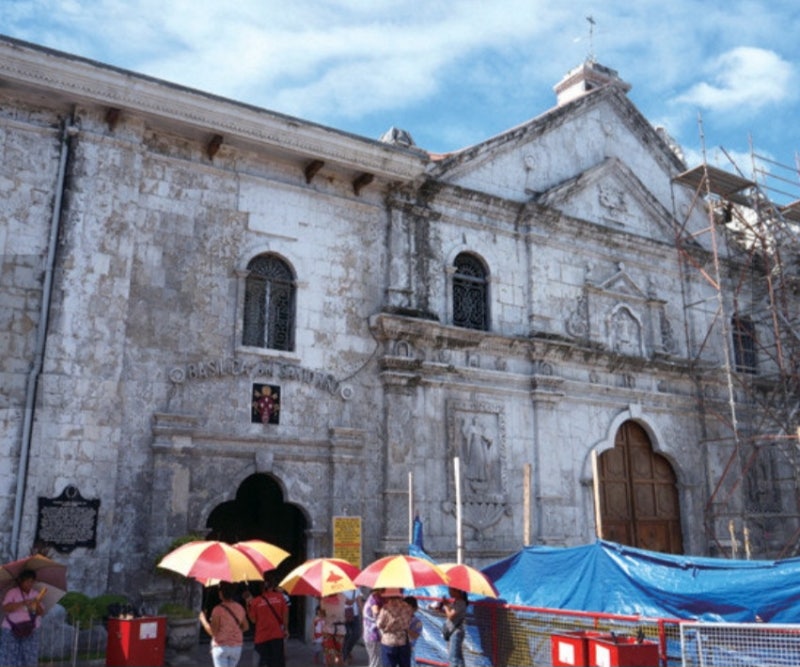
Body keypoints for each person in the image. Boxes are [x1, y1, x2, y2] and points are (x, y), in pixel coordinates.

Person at [0, 569, 47, 667]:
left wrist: (36, 604)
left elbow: (41, 612)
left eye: (31, 581)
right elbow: (6, 608)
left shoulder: (35, 594)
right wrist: (22, 603)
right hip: (11, 629)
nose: (29, 584)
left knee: (29, 656)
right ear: (21, 581)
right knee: (10, 656)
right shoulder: (12, 592)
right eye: (27, 581)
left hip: (31, 629)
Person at [198, 581, 249, 667]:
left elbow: (213, 632)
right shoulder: (240, 608)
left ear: (221, 593)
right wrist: (232, 630)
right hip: (236, 647)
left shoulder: (218, 610)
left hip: (221, 647)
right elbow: (246, 627)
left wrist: (203, 620)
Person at [244, 574, 289, 667]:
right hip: (277, 635)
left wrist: (248, 605)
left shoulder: (255, 602)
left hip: (261, 637)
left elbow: (253, 620)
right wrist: (286, 629)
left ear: (261, 588)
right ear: (272, 586)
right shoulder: (280, 598)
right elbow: (285, 615)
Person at [375, 588, 413, 667]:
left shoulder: (385, 608)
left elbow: (379, 624)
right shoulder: (407, 607)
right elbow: (409, 622)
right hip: (403, 640)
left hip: (388, 641)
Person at [320, 592, 347, 666]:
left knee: (329, 654)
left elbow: (322, 615)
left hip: (328, 629)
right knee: (339, 653)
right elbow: (348, 604)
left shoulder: (323, 599)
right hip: (340, 629)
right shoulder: (342, 596)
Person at [442, 588, 468, 667]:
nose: (449, 592)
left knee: (453, 658)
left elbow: (450, 616)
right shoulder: (457, 602)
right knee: (458, 658)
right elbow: (451, 612)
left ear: (456, 591)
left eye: (450, 590)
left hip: (456, 633)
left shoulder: (461, 602)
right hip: (454, 632)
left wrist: (445, 606)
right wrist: (447, 604)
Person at [361, 588, 384, 667]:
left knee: (374, 660)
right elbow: (376, 611)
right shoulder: (374, 598)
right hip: (373, 634)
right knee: (375, 661)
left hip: (370, 633)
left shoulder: (373, 598)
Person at [342, 590, 362, 664]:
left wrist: (363, 614)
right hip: (343, 615)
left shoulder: (357, 589)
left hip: (355, 615)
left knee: (357, 634)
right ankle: (344, 656)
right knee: (346, 635)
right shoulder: (342, 589)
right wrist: (353, 599)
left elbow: (359, 603)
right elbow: (346, 601)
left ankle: (347, 651)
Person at [404, 596, 423, 665]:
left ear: (414, 608)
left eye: (407, 607)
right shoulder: (400, 618)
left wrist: (406, 629)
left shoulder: (417, 622)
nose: (405, 609)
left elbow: (415, 635)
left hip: (408, 649)